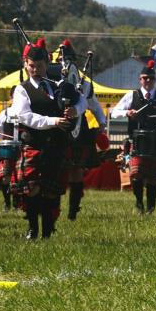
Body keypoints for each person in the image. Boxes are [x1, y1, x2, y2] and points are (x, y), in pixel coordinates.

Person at [8, 43, 86, 239]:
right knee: (32, 188)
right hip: (34, 143)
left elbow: (82, 99)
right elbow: (25, 116)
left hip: (57, 145)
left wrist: (76, 109)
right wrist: (53, 121)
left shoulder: (58, 85)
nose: (35, 70)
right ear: (25, 64)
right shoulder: (22, 90)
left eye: (40, 66)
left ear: (47, 64)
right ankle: (33, 229)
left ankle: (48, 231)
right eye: (31, 66)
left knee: (51, 190)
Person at [50, 40, 107, 220]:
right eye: (60, 58)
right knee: (56, 170)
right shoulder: (50, 81)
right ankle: (54, 208)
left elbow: (95, 106)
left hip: (78, 130)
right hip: (56, 128)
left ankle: (73, 211)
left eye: (66, 59)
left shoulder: (85, 85)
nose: (63, 62)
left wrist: (102, 123)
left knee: (76, 171)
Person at [111, 60, 156, 214]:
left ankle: (151, 208)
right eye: (145, 78)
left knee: (152, 177)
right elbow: (114, 112)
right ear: (140, 79)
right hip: (136, 140)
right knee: (136, 175)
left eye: (151, 78)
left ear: (154, 80)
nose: (148, 81)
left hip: (155, 141)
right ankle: (139, 204)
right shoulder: (131, 95)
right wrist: (127, 112)